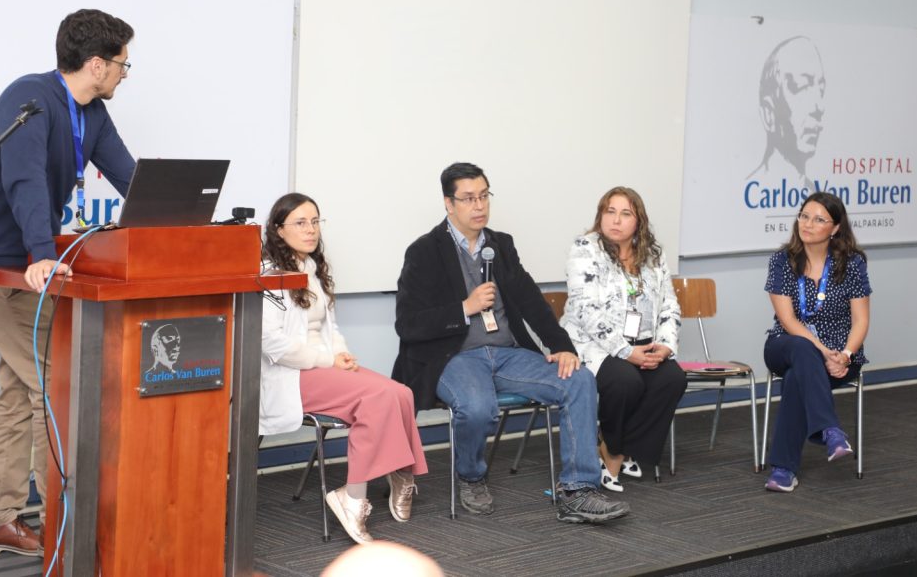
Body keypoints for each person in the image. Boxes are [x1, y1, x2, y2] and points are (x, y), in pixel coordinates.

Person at [0, 9, 137, 555]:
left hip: (28, 268)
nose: (124, 74)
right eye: (122, 64)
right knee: (56, 385)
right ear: (96, 64)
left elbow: (130, 176)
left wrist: (180, 222)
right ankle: (63, 524)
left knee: (18, 388)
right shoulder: (29, 98)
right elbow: (22, 178)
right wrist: (44, 254)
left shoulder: (91, 114)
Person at [393, 162, 629, 524]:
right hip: (457, 357)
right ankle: (471, 477)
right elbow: (408, 325)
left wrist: (562, 347)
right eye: (468, 198)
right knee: (477, 405)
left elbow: (531, 300)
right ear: (448, 203)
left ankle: (578, 491)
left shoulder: (500, 245)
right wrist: (464, 308)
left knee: (579, 380)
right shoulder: (424, 251)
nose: (479, 206)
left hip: (508, 354)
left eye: (484, 196)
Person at [260, 193, 427, 544]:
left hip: (324, 367)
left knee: (401, 392)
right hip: (289, 375)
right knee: (377, 398)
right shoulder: (267, 275)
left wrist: (341, 354)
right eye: (301, 223)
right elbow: (271, 344)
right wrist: (327, 360)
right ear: (278, 229)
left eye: (315, 221)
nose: (311, 229)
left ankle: (400, 471)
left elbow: (330, 327)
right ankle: (352, 497)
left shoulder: (312, 268)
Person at [560, 187, 687, 492]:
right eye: (610, 212)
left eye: (625, 213)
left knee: (672, 378)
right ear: (600, 216)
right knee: (625, 381)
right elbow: (586, 310)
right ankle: (615, 454)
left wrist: (665, 345)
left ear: (638, 221)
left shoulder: (653, 254)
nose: (616, 220)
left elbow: (669, 303)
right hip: (592, 343)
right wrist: (625, 351)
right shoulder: (585, 248)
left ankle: (618, 445)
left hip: (644, 342)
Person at [762, 191, 870, 492]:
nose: (808, 224)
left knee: (797, 378)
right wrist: (823, 352)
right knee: (802, 349)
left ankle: (783, 470)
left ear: (835, 228)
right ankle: (830, 429)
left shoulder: (852, 263)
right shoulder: (782, 260)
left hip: (840, 357)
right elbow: (788, 320)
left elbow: (861, 320)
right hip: (786, 345)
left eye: (819, 219)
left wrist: (845, 355)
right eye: (804, 216)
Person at [748, 36, 826, 189]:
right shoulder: (754, 189)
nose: (819, 107)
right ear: (768, 114)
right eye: (802, 87)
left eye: (821, 91)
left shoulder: (815, 194)